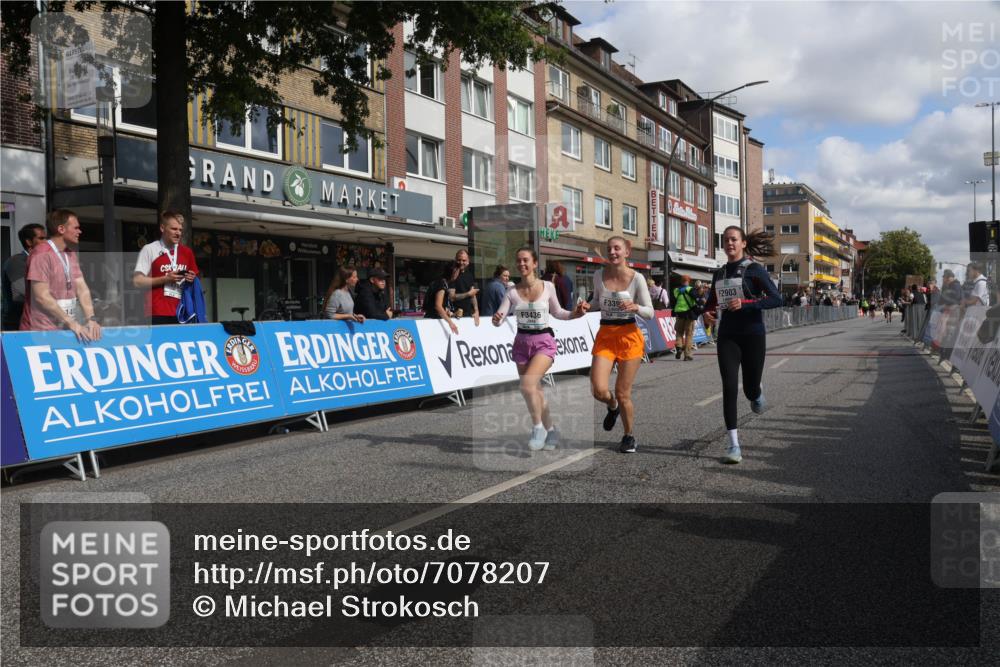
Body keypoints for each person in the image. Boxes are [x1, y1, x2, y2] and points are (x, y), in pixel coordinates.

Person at [492, 247, 588, 450]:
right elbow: (500, 316)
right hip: (521, 344)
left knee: (527, 386)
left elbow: (558, 312)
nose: (521, 264)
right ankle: (551, 430)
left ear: (535, 263)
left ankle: (538, 428)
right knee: (535, 391)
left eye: (525, 260)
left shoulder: (548, 287)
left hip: (544, 342)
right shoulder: (511, 291)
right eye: (518, 260)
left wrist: (575, 314)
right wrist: (496, 319)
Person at [701, 225, 781, 464]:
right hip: (728, 335)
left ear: (743, 243)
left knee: (749, 388)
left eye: (734, 239)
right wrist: (707, 314)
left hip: (753, 335)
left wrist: (745, 304)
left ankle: (756, 392)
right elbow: (710, 304)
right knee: (729, 387)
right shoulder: (719, 274)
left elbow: (776, 299)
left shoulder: (754, 270)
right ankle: (733, 444)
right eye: (726, 240)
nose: (729, 243)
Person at [587, 236, 654, 454]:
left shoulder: (637, 278)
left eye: (617, 248)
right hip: (606, 336)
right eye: (609, 249)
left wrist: (636, 307)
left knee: (623, 392)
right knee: (598, 389)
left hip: (629, 337)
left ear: (627, 251)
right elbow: (596, 302)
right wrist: (586, 306)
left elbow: (650, 312)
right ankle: (612, 406)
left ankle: (629, 435)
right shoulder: (598, 275)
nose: (613, 252)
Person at [20, 209, 102, 341]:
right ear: (61, 229)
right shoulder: (41, 254)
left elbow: (82, 288)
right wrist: (72, 323)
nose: (80, 231)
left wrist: (91, 319)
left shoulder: (70, 253)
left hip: (63, 329)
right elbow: (41, 297)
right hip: (39, 331)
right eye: (76, 228)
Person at [133, 210, 200, 325]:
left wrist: (191, 278)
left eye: (180, 230)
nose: (178, 233)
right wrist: (165, 279)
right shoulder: (150, 249)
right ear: (162, 228)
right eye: (174, 229)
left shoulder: (187, 252)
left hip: (182, 311)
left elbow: (195, 278)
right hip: (157, 311)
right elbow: (137, 281)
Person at [2, 223, 46, 331]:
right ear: (29, 242)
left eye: (46, 238)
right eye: (41, 238)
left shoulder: (40, 262)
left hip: (38, 323)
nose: (46, 242)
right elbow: (26, 291)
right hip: (16, 324)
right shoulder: (16, 262)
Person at [425, 261, 461, 334]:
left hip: (432, 319)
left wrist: (447, 311)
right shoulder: (441, 285)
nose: (458, 274)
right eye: (458, 271)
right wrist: (451, 323)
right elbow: (438, 306)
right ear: (454, 272)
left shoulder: (440, 282)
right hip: (433, 321)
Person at [449, 249, 480, 325]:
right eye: (459, 260)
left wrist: (476, 311)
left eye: (464, 260)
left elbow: (473, 295)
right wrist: (468, 294)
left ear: (468, 261)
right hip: (454, 316)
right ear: (455, 260)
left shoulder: (469, 275)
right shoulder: (452, 274)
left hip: (467, 315)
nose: (461, 262)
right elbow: (451, 297)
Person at [672, 275, 697, 361]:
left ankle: (679, 347)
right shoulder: (691, 289)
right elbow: (697, 299)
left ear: (681, 281)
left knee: (679, 332)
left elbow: (673, 301)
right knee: (689, 334)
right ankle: (687, 354)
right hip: (689, 314)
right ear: (689, 281)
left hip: (679, 313)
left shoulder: (676, 290)